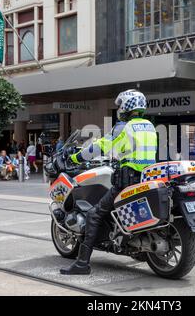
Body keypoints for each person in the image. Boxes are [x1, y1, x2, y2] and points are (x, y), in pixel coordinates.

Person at [60, 89, 158, 275]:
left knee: (94, 215)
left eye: (120, 105)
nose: (119, 108)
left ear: (126, 106)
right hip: (145, 179)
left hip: (127, 181)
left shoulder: (124, 127)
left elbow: (100, 146)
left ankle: (82, 264)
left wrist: (75, 158)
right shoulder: (150, 126)